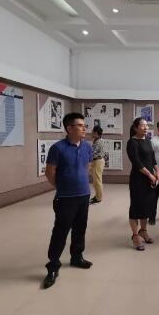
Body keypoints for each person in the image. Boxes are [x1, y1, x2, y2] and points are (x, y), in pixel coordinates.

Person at [43, 112, 93, 289]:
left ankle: (76, 257)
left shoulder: (87, 147)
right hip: (65, 197)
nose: (84, 128)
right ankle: (53, 266)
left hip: (84, 195)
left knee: (80, 229)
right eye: (80, 125)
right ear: (69, 128)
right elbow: (50, 172)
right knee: (60, 231)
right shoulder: (58, 148)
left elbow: (87, 166)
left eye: (84, 125)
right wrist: (62, 187)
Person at [126, 117, 159, 251]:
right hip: (138, 180)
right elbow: (137, 163)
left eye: (147, 125)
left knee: (146, 206)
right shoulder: (132, 142)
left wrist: (158, 171)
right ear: (135, 128)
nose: (146, 127)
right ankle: (135, 235)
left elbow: (152, 159)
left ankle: (143, 231)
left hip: (149, 179)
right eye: (142, 125)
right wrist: (150, 175)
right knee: (136, 207)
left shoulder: (147, 140)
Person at [89, 126, 105, 204]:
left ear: (96, 133)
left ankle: (99, 198)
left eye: (92, 132)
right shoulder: (97, 140)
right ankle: (97, 196)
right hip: (97, 161)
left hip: (98, 161)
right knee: (96, 181)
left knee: (97, 181)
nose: (91, 133)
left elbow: (93, 153)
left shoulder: (98, 141)